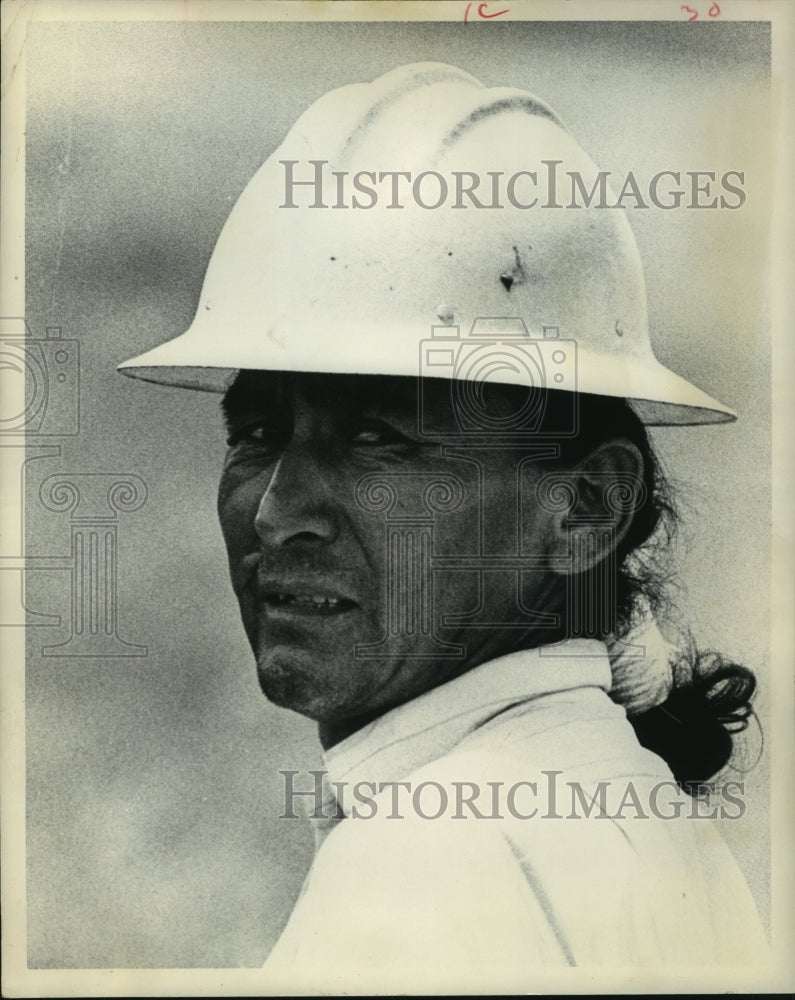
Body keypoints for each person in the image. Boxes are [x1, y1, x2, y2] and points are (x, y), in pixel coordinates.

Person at [119, 63, 766, 988]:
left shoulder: (423, 869)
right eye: (258, 433)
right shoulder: (653, 835)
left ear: (584, 509)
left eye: (378, 439)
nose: (277, 512)